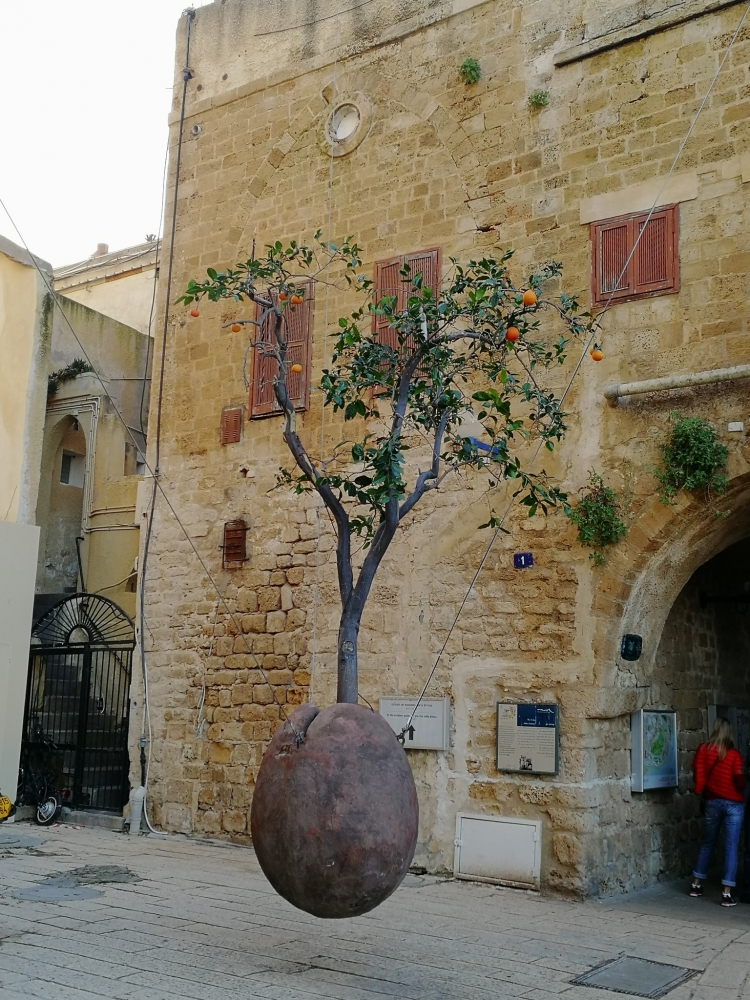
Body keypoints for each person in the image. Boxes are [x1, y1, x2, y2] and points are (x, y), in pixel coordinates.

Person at [690, 717, 745, 906]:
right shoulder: (734, 755)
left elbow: (696, 771)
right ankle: (726, 894)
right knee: (731, 847)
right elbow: (739, 783)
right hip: (733, 805)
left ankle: (696, 885)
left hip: (712, 802)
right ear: (729, 732)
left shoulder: (703, 749)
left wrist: (701, 789)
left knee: (708, 843)